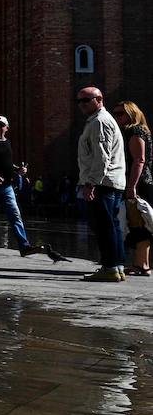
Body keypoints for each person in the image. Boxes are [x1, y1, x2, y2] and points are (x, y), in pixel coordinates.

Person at [0, 116, 48, 258]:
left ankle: (24, 247)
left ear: (7, 128)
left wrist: (18, 170)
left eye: (1, 125)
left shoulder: (8, 143)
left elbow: (7, 164)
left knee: (15, 215)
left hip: (6, 186)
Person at [76, 87, 127, 282]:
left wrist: (91, 183)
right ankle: (117, 266)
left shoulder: (100, 122)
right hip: (109, 182)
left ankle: (109, 267)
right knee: (112, 225)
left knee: (103, 226)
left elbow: (101, 157)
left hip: (103, 183)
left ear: (99, 99)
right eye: (79, 101)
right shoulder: (97, 121)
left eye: (86, 100)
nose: (81, 105)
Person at [113, 100, 152, 276]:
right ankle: (142, 263)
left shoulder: (134, 131)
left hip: (139, 183)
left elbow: (139, 160)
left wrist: (131, 186)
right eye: (115, 113)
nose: (117, 117)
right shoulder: (141, 130)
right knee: (142, 223)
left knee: (139, 223)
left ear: (131, 114)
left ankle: (141, 265)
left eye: (120, 113)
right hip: (143, 182)